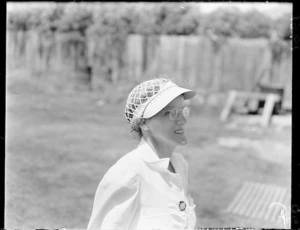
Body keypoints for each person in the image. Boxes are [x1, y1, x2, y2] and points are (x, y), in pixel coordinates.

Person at [87, 78, 197, 230]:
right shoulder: (128, 174)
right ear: (144, 123)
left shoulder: (180, 165)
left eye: (183, 111)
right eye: (170, 113)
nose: (182, 120)